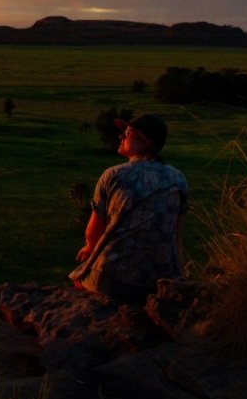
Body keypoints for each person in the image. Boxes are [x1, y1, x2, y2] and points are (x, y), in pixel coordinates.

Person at [69, 113, 188, 303]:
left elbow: (94, 230)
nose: (121, 136)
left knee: (79, 281)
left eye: (128, 132)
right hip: (160, 281)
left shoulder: (114, 175)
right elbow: (175, 232)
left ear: (146, 142)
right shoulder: (178, 178)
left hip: (114, 279)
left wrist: (90, 247)